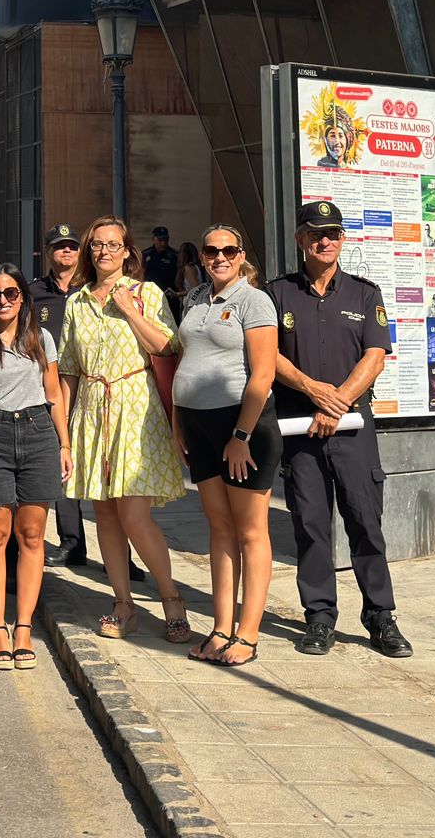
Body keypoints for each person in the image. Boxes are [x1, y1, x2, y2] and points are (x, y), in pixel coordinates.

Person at [268, 199, 413, 659]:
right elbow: (267, 356)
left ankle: (380, 617)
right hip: (300, 429)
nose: (324, 240)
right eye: (315, 233)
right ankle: (319, 618)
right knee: (310, 526)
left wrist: (340, 400)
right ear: (300, 240)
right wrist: (313, 390)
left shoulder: (365, 295)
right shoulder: (277, 295)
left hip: (351, 427)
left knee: (365, 522)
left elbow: (374, 356)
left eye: (332, 233)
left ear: (342, 239)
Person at [59, 217, 192, 644]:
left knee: (134, 513)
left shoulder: (146, 292)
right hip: (92, 409)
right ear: (88, 252)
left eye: (113, 245)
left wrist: (131, 310)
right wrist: (63, 433)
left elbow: (166, 345)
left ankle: (171, 599)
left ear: (127, 252)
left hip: (136, 408)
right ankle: (123, 603)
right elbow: (68, 371)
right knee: (104, 512)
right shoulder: (77, 302)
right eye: (97, 245)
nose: (104, 252)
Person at [170, 225, 281, 668]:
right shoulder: (196, 298)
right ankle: (220, 627)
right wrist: (180, 419)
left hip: (241, 426)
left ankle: (248, 634)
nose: (219, 257)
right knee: (218, 528)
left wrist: (241, 436)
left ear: (240, 255)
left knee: (250, 531)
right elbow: (183, 357)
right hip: (197, 426)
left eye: (228, 250)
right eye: (210, 250)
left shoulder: (254, 301)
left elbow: (264, 374)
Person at [0, 263, 70, 670]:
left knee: (32, 535)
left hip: (39, 432)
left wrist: (64, 443)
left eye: (10, 293)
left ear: (22, 297)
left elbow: (53, 390)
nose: (2, 300)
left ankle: (23, 626)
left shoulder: (41, 339)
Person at [29, 224, 90, 567]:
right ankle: (72, 542)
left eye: (72, 247)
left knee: (106, 471)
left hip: (93, 389)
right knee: (62, 465)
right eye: (59, 247)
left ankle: (122, 556)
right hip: (51, 390)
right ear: (48, 252)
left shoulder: (92, 290)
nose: (66, 252)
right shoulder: (34, 293)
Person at [142, 227, 182, 295]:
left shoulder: (175, 255)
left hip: (170, 294)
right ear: (153, 239)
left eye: (165, 240)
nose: (163, 243)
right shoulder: (145, 255)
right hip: (150, 294)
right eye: (160, 240)